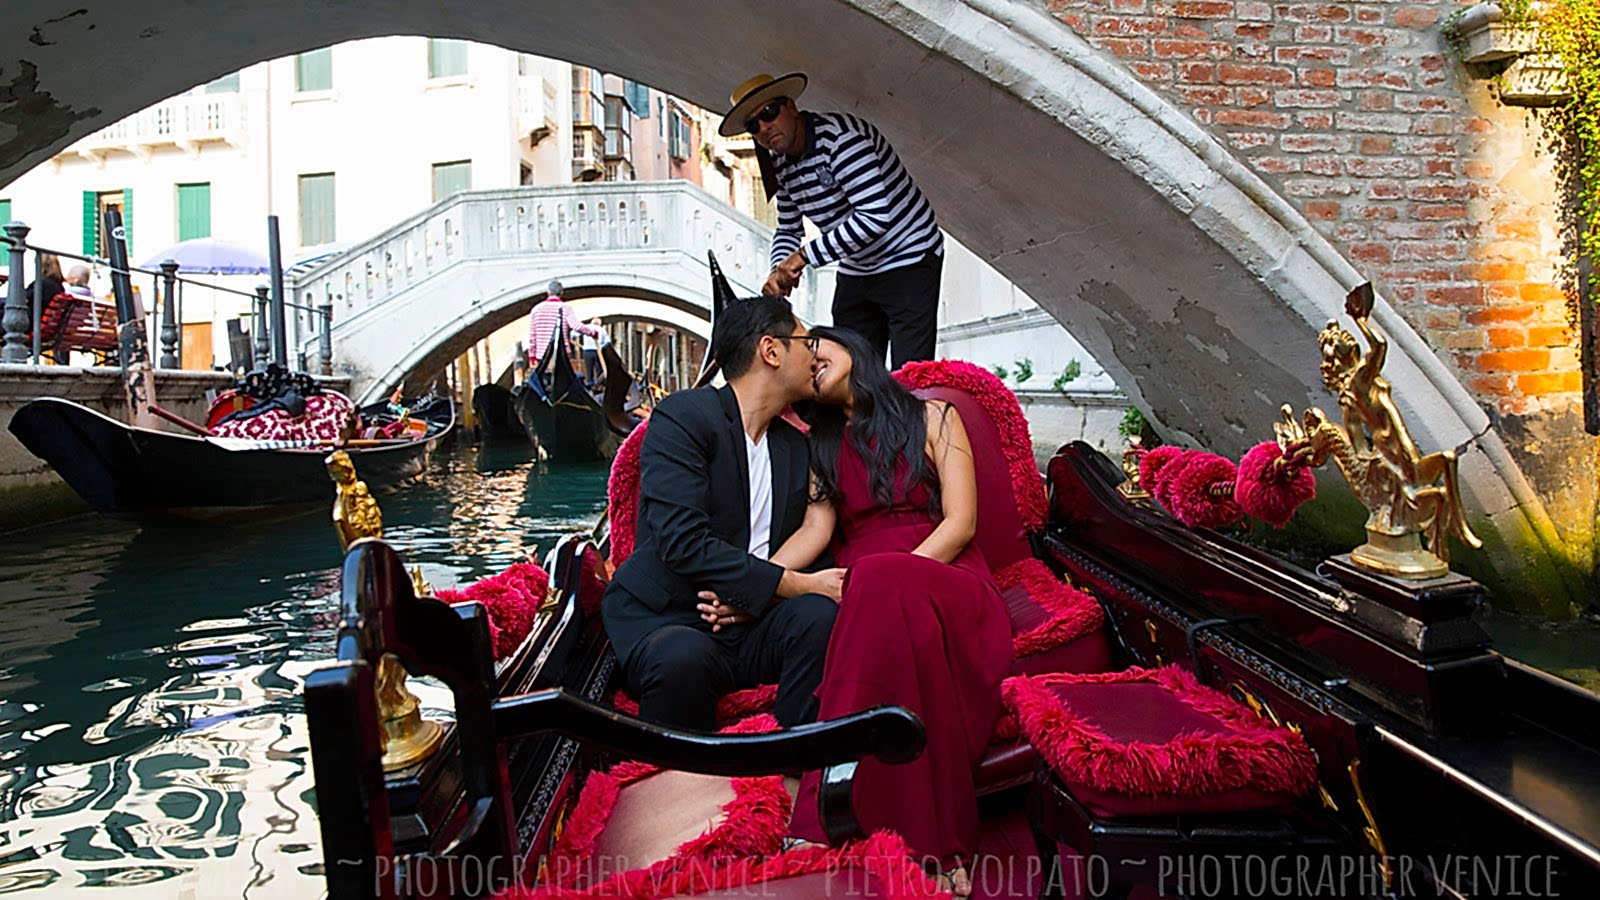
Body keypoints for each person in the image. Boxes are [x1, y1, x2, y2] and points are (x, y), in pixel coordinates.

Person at [707, 325, 1009, 896]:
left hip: (947, 580)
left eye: (821, 346)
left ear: (856, 347)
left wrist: (895, 578)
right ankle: (928, 845)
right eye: (806, 357)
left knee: (876, 582)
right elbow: (816, 529)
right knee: (875, 595)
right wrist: (759, 587)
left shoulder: (935, 417)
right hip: (867, 599)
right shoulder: (820, 446)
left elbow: (961, 522)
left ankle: (829, 822)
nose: (813, 359)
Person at [600, 294, 843, 731]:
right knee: (680, 658)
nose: (814, 356)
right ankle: (680, 790)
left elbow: (813, 531)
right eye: (807, 343)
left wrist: (761, 598)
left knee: (819, 618)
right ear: (771, 350)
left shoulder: (796, 446)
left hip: (756, 623)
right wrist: (791, 584)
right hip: (672, 616)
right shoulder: (685, 415)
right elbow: (683, 541)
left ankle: (796, 758)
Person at [720, 73, 944, 369]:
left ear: (791, 107)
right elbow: (788, 227)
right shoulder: (781, 163)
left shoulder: (842, 141)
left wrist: (802, 257)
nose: (764, 127)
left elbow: (874, 218)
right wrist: (778, 272)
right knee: (851, 371)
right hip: (858, 266)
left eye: (769, 113)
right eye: (753, 125)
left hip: (909, 256)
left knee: (910, 375)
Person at [525, 280, 602, 369]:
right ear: (561, 293)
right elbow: (576, 326)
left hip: (541, 354)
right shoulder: (565, 308)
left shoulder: (536, 309)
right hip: (561, 353)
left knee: (544, 380)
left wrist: (532, 356)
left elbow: (532, 335)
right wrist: (593, 333)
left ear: (548, 293)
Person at [580, 317, 608, 387]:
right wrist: (601, 346)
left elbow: (573, 334)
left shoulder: (585, 327)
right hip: (597, 351)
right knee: (599, 369)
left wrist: (582, 345)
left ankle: (590, 384)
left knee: (589, 369)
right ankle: (599, 386)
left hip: (587, 351)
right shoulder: (602, 330)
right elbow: (607, 342)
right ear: (599, 323)